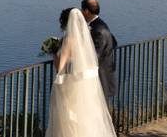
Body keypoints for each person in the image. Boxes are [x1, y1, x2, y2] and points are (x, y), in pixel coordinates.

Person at [46, 8, 116, 137]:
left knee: (68, 117)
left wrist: (53, 52)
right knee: (83, 116)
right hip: (84, 83)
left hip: (70, 85)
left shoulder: (69, 39)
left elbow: (60, 66)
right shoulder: (86, 37)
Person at [81, 0, 117, 98]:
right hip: (105, 74)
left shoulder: (97, 30)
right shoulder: (101, 24)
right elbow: (113, 42)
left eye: (82, 10)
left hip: (100, 78)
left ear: (86, 11)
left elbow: (94, 56)